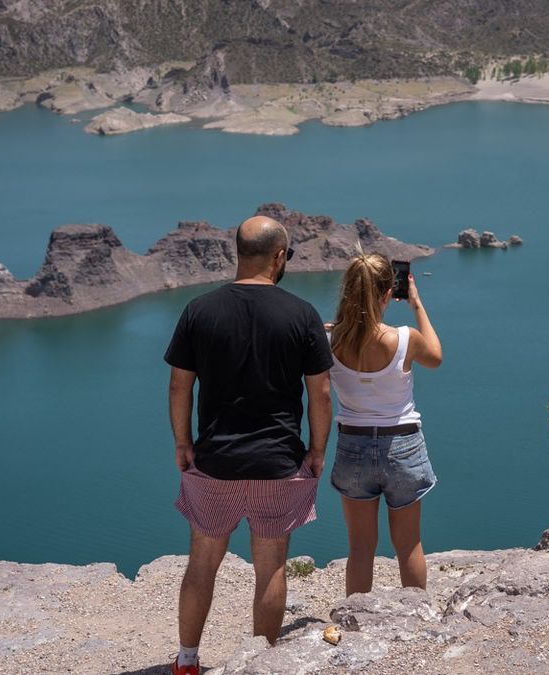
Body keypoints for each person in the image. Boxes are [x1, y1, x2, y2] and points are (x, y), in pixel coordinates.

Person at [163, 215, 333, 675]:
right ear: (279, 257)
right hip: (279, 463)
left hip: (214, 461)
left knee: (202, 563)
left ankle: (187, 661)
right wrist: (317, 450)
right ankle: (259, 664)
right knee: (271, 564)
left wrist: (182, 442)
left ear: (237, 254)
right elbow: (319, 392)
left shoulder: (200, 309)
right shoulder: (302, 314)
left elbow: (181, 386)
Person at [327, 253, 442, 596]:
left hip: (353, 448)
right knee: (408, 545)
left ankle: (354, 620)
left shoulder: (329, 341)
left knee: (361, 547)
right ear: (387, 294)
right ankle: (417, 617)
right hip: (403, 445)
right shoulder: (405, 339)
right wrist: (417, 304)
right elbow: (435, 357)